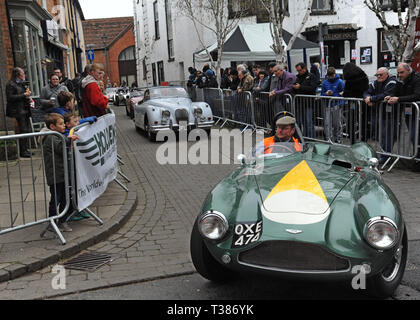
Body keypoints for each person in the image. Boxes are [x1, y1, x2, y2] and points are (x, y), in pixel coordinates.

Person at [42, 113, 79, 232]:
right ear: (52, 126)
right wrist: (69, 140)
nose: (64, 126)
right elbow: (60, 147)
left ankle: (62, 221)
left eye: (64, 123)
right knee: (56, 199)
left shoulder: (57, 135)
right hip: (56, 175)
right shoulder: (50, 137)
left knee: (65, 198)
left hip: (64, 174)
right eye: (61, 124)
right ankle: (52, 221)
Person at [385, 62, 420, 155]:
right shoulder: (400, 80)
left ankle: (417, 159)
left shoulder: (416, 79)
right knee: (414, 137)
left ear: (408, 71)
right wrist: (390, 96)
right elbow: (395, 91)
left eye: (402, 72)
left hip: (417, 113)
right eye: (398, 73)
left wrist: (399, 99)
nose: (399, 75)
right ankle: (416, 158)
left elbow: (417, 96)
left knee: (415, 136)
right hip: (408, 112)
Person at [363, 68, 397, 162]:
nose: (378, 77)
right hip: (377, 112)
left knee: (387, 135)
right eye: (377, 75)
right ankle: (383, 155)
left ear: (387, 74)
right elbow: (366, 92)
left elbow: (386, 94)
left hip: (389, 114)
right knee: (380, 135)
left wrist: (372, 99)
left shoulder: (392, 82)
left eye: (381, 75)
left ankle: (386, 157)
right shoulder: (375, 83)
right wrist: (367, 98)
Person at [5, 67, 33, 158]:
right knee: (23, 130)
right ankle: (23, 151)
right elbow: (10, 97)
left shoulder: (21, 84)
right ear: (17, 74)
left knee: (27, 129)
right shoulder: (10, 84)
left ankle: (25, 149)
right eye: (22, 73)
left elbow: (23, 94)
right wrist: (23, 95)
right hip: (17, 110)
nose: (24, 75)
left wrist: (28, 97)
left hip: (24, 109)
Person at [293, 62, 319, 138]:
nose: (299, 72)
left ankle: (311, 138)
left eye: (300, 70)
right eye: (297, 70)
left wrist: (300, 87)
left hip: (308, 103)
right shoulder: (297, 77)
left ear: (304, 68)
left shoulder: (311, 76)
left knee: (309, 122)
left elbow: (313, 88)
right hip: (299, 103)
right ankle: (304, 138)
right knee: (302, 122)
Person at [321, 67, 345, 143]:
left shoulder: (340, 82)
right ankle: (329, 139)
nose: (330, 77)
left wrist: (340, 95)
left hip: (337, 105)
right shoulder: (325, 83)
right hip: (327, 105)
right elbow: (322, 94)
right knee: (327, 123)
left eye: (332, 76)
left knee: (337, 123)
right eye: (329, 76)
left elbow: (344, 92)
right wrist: (326, 94)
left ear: (335, 74)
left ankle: (338, 139)